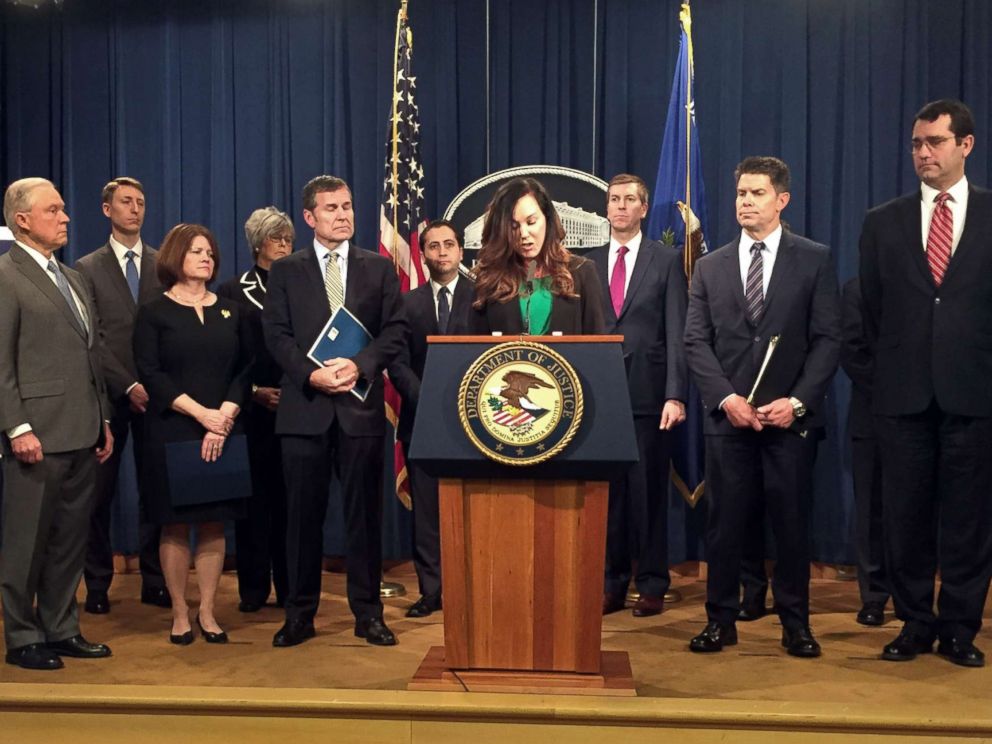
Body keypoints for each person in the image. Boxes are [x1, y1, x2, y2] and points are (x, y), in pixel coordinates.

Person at [684, 156, 841, 658]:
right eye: (740, 194)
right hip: (729, 421)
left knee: (792, 525)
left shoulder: (814, 259)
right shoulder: (709, 266)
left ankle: (795, 624)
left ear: (782, 199)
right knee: (724, 525)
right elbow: (695, 341)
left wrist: (796, 401)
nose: (745, 202)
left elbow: (827, 339)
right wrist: (726, 397)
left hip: (787, 423)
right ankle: (720, 621)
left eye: (756, 193)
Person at [859, 99, 992, 667]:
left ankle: (960, 628)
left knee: (968, 520)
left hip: (975, 397)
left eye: (935, 142)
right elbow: (867, 315)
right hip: (901, 399)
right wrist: (882, 383)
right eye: (916, 143)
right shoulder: (881, 221)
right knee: (906, 518)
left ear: (965, 145)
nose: (923, 153)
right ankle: (915, 621)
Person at [262, 175, 407, 647]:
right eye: (331, 208)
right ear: (309, 217)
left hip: (360, 412)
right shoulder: (286, 271)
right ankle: (299, 615)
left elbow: (394, 332)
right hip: (305, 412)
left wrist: (359, 364)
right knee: (302, 519)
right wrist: (311, 374)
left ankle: (368, 613)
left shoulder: (378, 269)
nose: (342, 215)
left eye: (347, 206)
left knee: (365, 518)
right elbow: (277, 336)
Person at [1, 177, 114, 670]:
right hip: (36, 434)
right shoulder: (5, 277)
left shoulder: (73, 278)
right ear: (22, 220)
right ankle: (22, 635)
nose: (66, 217)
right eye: (54, 210)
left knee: (70, 539)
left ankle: (61, 626)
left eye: (64, 209)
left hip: (82, 429)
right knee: (27, 541)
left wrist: (103, 419)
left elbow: (91, 354)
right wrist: (16, 427)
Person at [133, 223, 252, 644]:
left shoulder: (232, 310)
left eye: (210, 251)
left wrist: (224, 416)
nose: (207, 258)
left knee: (215, 523)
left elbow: (245, 369)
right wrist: (202, 415)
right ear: (174, 257)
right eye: (196, 251)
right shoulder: (153, 312)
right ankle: (180, 612)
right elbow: (150, 372)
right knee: (176, 526)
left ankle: (207, 610)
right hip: (173, 429)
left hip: (223, 428)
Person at [587, 174, 687, 618]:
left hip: (650, 397)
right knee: (608, 497)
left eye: (630, 200)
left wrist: (675, 395)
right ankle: (611, 583)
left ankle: (651, 583)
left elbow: (676, 330)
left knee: (647, 496)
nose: (621, 207)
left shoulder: (665, 260)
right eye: (614, 200)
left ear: (644, 209)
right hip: (598, 399)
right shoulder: (585, 264)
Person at [74, 176, 169, 614]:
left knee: (156, 491)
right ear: (107, 209)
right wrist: (127, 385)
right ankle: (96, 584)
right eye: (126, 202)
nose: (135, 209)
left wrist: (152, 384)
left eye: (141, 202)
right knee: (98, 494)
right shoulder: (85, 268)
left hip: (157, 395)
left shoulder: (163, 263)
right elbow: (90, 338)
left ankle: (155, 579)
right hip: (109, 397)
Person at [389, 219, 472, 618]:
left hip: (476, 424)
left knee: (471, 510)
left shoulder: (483, 299)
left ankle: (469, 588)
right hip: (421, 421)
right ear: (422, 254)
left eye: (449, 245)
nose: (442, 253)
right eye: (434, 246)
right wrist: (426, 398)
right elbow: (397, 361)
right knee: (426, 513)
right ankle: (431, 590)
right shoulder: (408, 303)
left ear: (461, 251)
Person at [217, 206, 294, 612]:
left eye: (287, 238)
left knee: (290, 504)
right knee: (252, 504)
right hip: (250, 413)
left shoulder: (303, 282)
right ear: (258, 244)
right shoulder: (232, 291)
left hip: (296, 407)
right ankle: (252, 590)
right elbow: (226, 358)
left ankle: (289, 587)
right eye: (276, 237)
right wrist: (254, 391)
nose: (284, 244)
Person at [469, 177, 605, 335]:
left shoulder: (583, 272)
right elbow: (475, 351)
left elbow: (597, 348)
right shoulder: (488, 278)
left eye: (531, 222)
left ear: (547, 219)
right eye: (513, 226)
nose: (523, 234)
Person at [838, 278, 890, 626]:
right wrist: (897, 387)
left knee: (916, 508)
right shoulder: (857, 289)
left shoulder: (932, 285)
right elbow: (850, 349)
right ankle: (873, 596)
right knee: (870, 508)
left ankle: (911, 596)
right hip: (872, 413)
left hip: (926, 415)